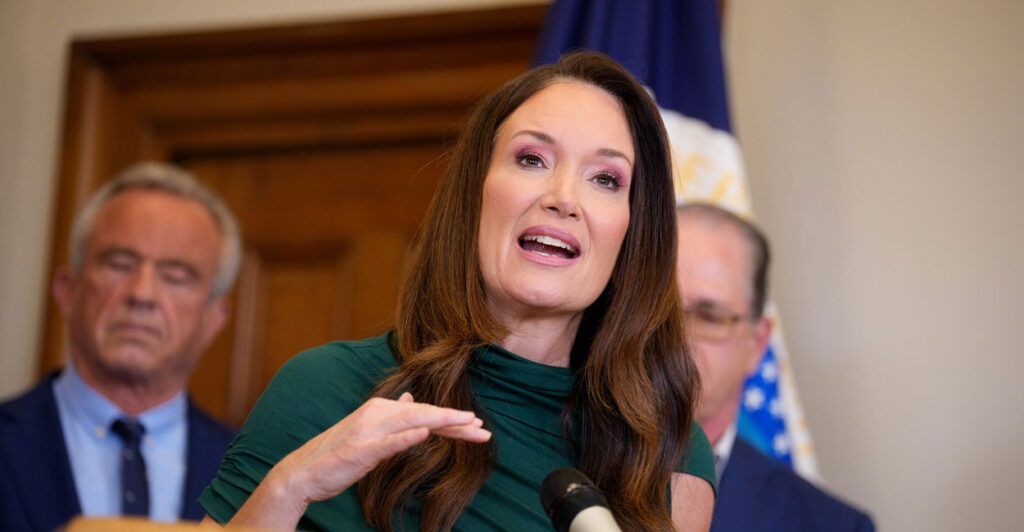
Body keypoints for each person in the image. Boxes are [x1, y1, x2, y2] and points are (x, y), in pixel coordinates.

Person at [198, 51, 716, 532]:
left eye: (605, 179)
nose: (563, 198)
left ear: (633, 232)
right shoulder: (323, 391)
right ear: (475, 194)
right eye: (532, 159)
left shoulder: (669, 452)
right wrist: (292, 486)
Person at [0, 162, 240, 531]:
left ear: (214, 319)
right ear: (67, 291)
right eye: (119, 264)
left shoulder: (250, 472)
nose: (142, 294)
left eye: (176, 276)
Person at [675, 202, 874, 531]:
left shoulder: (831, 525)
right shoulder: (563, 470)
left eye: (709, 317)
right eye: (657, 308)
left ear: (756, 343)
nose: (675, 338)